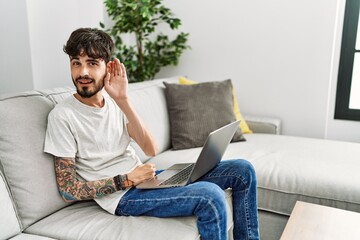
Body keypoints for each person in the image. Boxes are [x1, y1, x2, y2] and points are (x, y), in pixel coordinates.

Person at [44, 28, 260, 240]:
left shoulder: (114, 103)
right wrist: (126, 179)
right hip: (122, 196)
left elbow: (150, 149)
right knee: (210, 196)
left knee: (243, 170)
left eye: (92, 63)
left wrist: (123, 100)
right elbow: (68, 190)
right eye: (76, 63)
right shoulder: (62, 116)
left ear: (107, 68)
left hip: (147, 178)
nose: (82, 72)